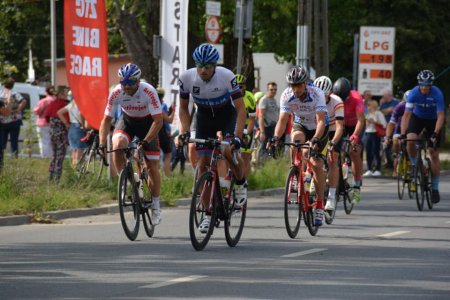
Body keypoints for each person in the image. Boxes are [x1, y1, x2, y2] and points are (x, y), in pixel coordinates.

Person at [177, 43, 248, 233]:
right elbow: (184, 108)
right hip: (204, 119)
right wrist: (184, 132)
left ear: (215, 66)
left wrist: (238, 137)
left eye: (207, 66)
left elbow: (241, 109)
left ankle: (241, 184)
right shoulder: (186, 78)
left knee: (226, 150)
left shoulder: (226, 76)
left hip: (227, 117)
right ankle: (208, 213)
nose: (203, 70)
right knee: (202, 164)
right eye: (200, 65)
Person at [98, 63, 164, 224]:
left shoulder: (148, 91)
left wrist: (146, 141)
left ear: (138, 81)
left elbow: (158, 121)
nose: (126, 86)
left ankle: (156, 205)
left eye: (130, 83)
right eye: (123, 82)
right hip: (127, 121)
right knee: (118, 144)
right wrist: (101, 143)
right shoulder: (116, 93)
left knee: (152, 166)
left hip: (149, 125)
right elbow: (106, 120)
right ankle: (127, 180)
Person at [271, 66, 329, 226]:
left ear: (305, 84)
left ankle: (319, 205)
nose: (295, 89)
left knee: (316, 165)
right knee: (295, 141)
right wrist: (276, 137)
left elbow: (322, 121)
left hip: (318, 128)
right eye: (292, 85)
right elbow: (282, 120)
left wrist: (316, 138)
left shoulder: (317, 94)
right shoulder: (287, 95)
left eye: (298, 85)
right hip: (301, 124)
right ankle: (295, 172)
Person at [400, 70, 445, 203]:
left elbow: (441, 115)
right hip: (417, 118)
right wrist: (403, 134)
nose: (424, 88)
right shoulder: (414, 93)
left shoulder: (437, 93)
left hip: (434, 120)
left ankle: (435, 188)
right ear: (419, 84)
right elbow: (407, 115)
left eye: (427, 86)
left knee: (433, 153)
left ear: (431, 84)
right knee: (410, 140)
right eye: (422, 85)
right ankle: (415, 165)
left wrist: (436, 133)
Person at [313, 76, 344, 211]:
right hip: (318, 129)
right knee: (309, 152)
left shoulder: (337, 101)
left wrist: (333, 142)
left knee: (333, 159)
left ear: (330, 93)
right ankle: (310, 178)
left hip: (332, 130)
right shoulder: (311, 99)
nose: (321, 98)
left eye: (324, 96)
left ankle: (331, 196)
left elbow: (339, 127)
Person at [332, 77, 365, 203]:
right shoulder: (334, 98)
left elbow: (361, 120)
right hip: (341, 124)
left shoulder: (356, 98)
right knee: (335, 151)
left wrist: (355, 136)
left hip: (355, 124)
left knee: (354, 152)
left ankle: (356, 186)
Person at [43, 86, 70, 182]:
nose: (67, 95)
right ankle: (56, 178)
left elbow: (46, 117)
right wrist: (67, 124)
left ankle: (51, 176)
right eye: (66, 93)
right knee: (60, 155)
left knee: (54, 155)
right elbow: (67, 119)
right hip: (61, 133)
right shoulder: (63, 104)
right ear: (61, 94)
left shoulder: (52, 103)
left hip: (52, 132)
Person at [56, 93, 88, 167]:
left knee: (75, 150)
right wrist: (83, 125)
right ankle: (78, 169)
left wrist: (66, 123)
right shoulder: (81, 104)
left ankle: (74, 168)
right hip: (79, 127)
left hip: (72, 127)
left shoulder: (71, 104)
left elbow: (59, 112)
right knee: (80, 150)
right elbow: (81, 114)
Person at [0, 77, 27, 160]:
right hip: (14, 121)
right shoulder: (14, 93)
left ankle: (1, 160)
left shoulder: (0, 93)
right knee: (14, 142)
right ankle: (14, 160)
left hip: (2, 121)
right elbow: (24, 101)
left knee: (2, 143)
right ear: (13, 85)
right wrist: (18, 109)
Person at [384, 90, 410, 177]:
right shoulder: (399, 107)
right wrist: (388, 136)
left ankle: (417, 166)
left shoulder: (417, 106)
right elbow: (391, 123)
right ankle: (396, 162)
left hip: (412, 130)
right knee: (396, 143)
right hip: (399, 130)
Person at [235, 74, 257, 177]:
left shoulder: (250, 97)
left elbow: (252, 119)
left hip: (247, 126)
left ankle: (243, 183)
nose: (238, 89)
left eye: (241, 86)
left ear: (245, 87)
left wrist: (247, 134)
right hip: (234, 126)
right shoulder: (229, 96)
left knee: (245, 156)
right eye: (236, 86)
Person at [363, 99, 386, 177]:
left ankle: (377, 169)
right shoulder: (368, 114)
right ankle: (369, 169)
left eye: (369, 105)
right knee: (368, 152)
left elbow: (384, 124)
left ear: (373, 105)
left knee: (375, 151)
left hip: (375, 134)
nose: (368, 107)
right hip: (368, 133)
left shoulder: (378, 113)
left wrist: (373, 121)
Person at [156, 87, 174, 176]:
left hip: (151, 133)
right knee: (168, 155)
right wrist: (173, 111)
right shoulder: (162, 106)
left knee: (154, 156)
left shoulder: (150, 105)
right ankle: (167, 175)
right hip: (162, 132)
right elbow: (169, 120)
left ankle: (154, 174)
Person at [33, 86, 55, 158]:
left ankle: (45, 157)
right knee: (51, 141)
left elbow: (36, 111)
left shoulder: (44, 101)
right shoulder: (55, 101)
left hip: (43, 123)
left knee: (43, 141)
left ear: (46, 92)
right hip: (53, 123)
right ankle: (51, 156)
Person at [379, 89, 399, 168]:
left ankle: (395, 164)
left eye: (384, 95)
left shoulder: (396, 102)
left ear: (389, 95)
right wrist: (388, 110)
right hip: (385, 127)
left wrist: (388, 111)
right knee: (387, 145)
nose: (383, 97)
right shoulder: (383, 103)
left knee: (394, 145)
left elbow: (394, 111)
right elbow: (381, 112)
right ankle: (389, 163)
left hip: (395, 127)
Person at [258, 81, 279, 156]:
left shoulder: (274, 100)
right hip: (266, 127)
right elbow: (261, 116)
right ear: (267, 90)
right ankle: (260, 164)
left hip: (273, 127)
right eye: (271, 89)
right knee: (264, 147)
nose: (273, 91)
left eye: (275, 89)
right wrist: (262, 132)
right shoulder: (264, 100)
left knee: (271, 147)